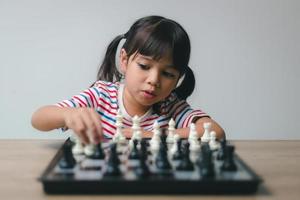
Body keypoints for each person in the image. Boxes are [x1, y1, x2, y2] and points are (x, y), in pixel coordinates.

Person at [31, 15, 225, 144]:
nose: (154, 80)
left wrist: (155, 134)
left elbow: (216, 131)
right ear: (124, 60)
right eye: (144, 66)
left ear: (178, 79)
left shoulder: (170, 106)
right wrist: (68, 115)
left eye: (168, 74)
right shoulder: (101, 96)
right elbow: (38, 118)